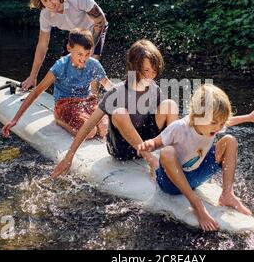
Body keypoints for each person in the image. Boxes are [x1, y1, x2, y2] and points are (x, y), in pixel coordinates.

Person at [137, 84, 254, 231]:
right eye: (214, 123)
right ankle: (196, 204)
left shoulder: (213, 125)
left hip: (196, 176)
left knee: (230, 140)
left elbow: (227, 122)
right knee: (167, 152)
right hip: (172, 183)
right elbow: (157, 142)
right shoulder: (180, 127)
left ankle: (227, 194)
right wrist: (148, 144)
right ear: (197, 116)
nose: (219, 127)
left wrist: (249, 117)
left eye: (221, 123)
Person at [51, 39, 179, 179]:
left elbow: (170, 124)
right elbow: (88, 125)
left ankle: (176, 157)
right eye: (146, 70)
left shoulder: (155, 89)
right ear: (134, 68)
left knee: (170, 105)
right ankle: (152, 161)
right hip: (122, 148)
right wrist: (69, 157)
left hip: (146, 143)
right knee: (119, 112)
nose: (150, 76)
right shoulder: (116, 92)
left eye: (154, 71)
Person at [2, 28, 113, 139]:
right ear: (69, 48)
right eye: (80, 54)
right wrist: (15, 119)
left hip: (87, 102)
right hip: (65, 104)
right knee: (90, 132)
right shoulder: (60, 66)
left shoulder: (94, 64)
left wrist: (127, 96)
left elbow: (108, 85)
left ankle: (88, 120)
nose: (84, 59)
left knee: (104, 129)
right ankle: (59, 120)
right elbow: (37, 92)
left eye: (87, 54)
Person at [22, 0, 108, 91]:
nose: (50, 4)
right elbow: (42, 45)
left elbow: (100, 21)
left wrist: (90, 50)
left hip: (95, 28)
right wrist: (33, 76)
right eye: (45, 1)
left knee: (91, 63)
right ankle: (67, 99)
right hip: (75, 32)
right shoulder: (45, 15)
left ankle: (93, 102)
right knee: (64, 66)